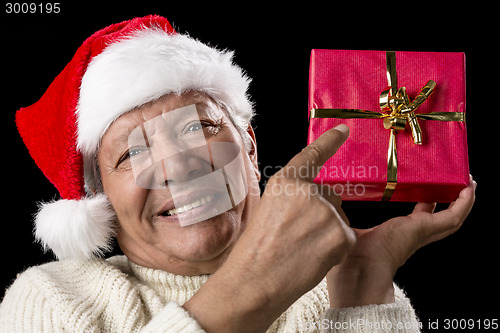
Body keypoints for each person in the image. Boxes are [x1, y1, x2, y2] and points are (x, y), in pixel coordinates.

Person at [0, 15, 475, 332]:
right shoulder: (52, 299)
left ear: (249, 146)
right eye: (131, 154)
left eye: (198, 127)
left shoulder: (338, 292)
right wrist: (256, 285)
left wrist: (362, 286)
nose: (177, 165)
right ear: (100, 200)